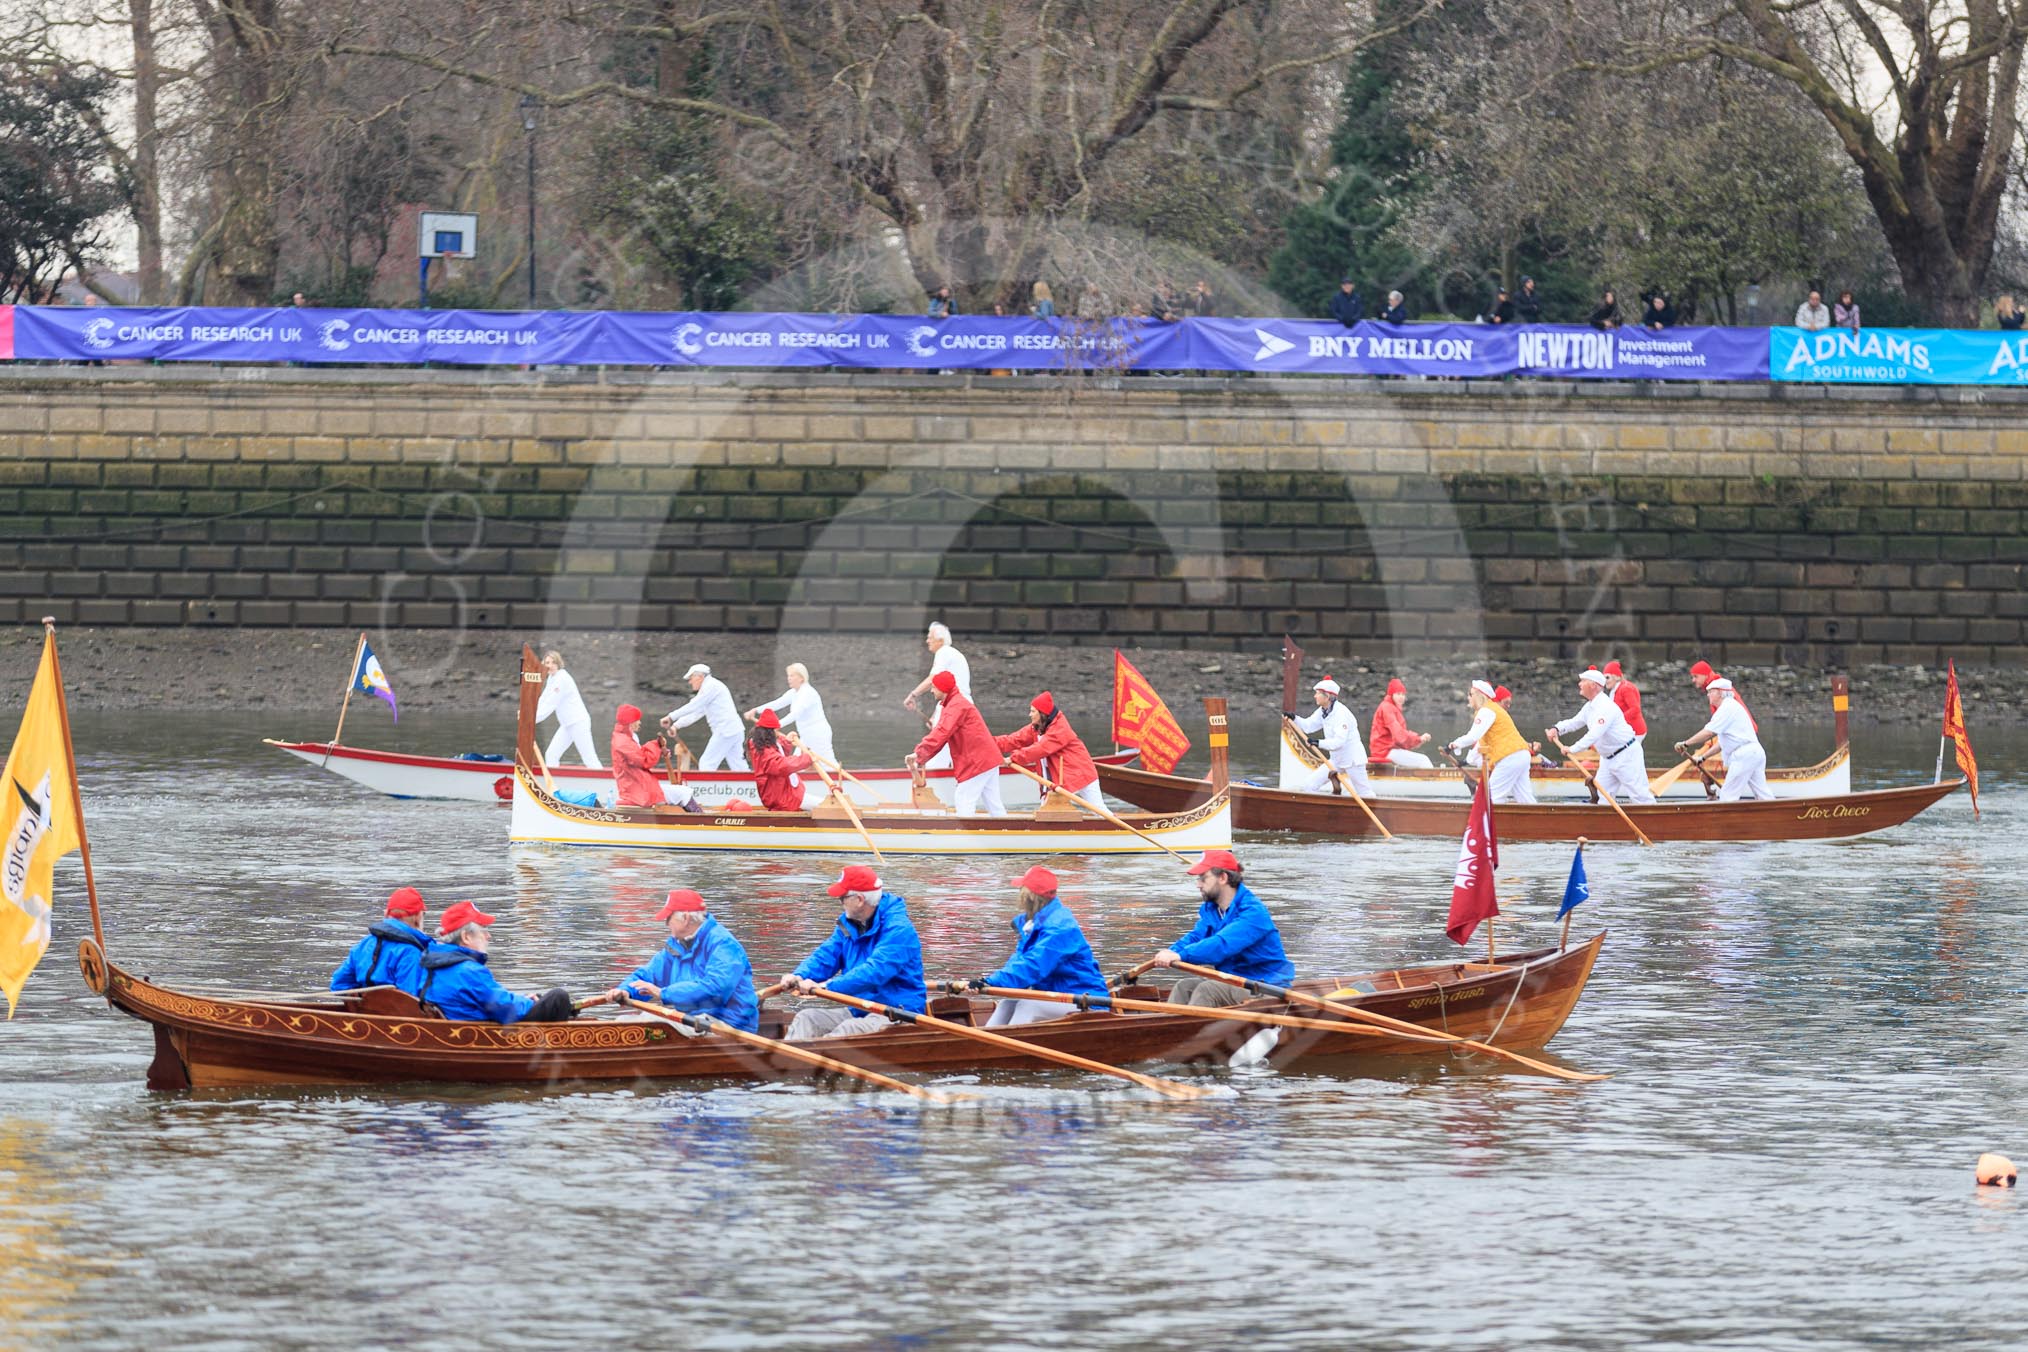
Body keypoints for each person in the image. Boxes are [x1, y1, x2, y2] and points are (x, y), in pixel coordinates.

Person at [781, 866, 925, 1040]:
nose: (840, 902)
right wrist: (799, 975)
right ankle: (786, 1062)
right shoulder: (849, 925)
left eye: (842, 897)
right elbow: (826, 956)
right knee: (807, 1018)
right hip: (860, 1009)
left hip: (897, 1011)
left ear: (859, 899)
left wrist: (827, 987)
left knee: (849, 1029)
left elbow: (874, 972)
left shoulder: (899, 930)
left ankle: (812, 1063)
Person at [958, 865, 1108, 1026]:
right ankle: (983, 1044)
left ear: (1029, 896)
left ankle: (1006, 1048)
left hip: (1087, 1001)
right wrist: (986, 981)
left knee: (1028, 1006)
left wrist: (992, 981)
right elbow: (1018, 961)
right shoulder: (1032, 924)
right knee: (1007, 1004)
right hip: (1054, 997)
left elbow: (1033, 966)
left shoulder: (1060, 928)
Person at [1150, 850, 1293, 1006]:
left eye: (1203, 878)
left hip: (1265, 985)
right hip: (1234, 980)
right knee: (1184, 987)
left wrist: (1181, 956)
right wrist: (1172, 951)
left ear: (1223, 878)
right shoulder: (1213, 909)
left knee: (1208, 989)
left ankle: (1188, 1029)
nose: (1198, 884)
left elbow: (1222, 944)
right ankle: (1168, 1027)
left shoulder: (1253, 913)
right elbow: (1197, 936)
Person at [608, 889, 757, 1032]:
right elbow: (647, 975)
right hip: (693, 1019)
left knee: (637, 1027)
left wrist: (663, 993)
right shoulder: (677, 946)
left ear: (685, 918)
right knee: (624, 1022)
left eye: (668, 918)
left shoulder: (724, 944)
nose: (666, 924)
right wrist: (625, 990)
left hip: (728, 1024)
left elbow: (715, 989)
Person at [417, 900, 575, 1023]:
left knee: (540, 999)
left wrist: (526, 999)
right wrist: (530, 1003)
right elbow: (504, 1006)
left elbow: (495, 999)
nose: (488, 936)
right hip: (478, 1030)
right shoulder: (468, 970)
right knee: (558, 998)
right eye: (483, 930)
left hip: (461, 1022)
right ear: (466, 937)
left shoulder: (429, 963)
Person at [1546, 668, 1654, 804]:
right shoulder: (1589, 706)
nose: (1579, 684)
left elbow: (1594, 734)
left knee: (1640, 796)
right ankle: (1604, 824)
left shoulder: (1606, 707)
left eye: (1583, 681)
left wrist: (1572, 749)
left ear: (1594, 685)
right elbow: (1575, 722)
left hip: (1626, 756)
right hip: (1608, 758)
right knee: (1601, 798)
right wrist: (1557, 729)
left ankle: (1656, 823)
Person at [908, 670, 1006, 815]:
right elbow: (941, 736)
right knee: (994, 805)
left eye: (934, 687)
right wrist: (921, 755)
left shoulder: (956, 706)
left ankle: (964, 836)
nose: (932, 691)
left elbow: (941, 732)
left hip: (977, 762)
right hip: (988, 759)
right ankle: (1003, 831)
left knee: (963, 798)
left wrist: (918, 754)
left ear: (942, 689)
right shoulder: (955, 703)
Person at [995, 691, 1103, 808]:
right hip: (1057, 779)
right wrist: (988, 743)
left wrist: (1013, 758)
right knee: (1047, 811)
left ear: (1042, 714)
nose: (1029, 715)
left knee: (1099, 810)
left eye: (1032, 711)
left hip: (1082, 774)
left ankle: (1113, 825)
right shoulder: (1037, 727)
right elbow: (1013, 740)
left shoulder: (1060, 729)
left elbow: (1041, 749)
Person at [1677, 677, 1772, 801]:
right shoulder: (1731, 707)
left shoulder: (1727, 708)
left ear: (1721, 693)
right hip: (1754, 753)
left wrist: (1686, 743)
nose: (1708, 695)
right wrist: (1703, 757)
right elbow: (1721, 744)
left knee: (1728, 796)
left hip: (1744, 756)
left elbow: (1708, 732)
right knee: (1763, 795)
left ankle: (1725, 820)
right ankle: (1778, 818)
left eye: (1711, 691)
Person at [329, 885, 432, 997]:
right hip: (395, 1012)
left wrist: (363, 1002)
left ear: (386, 914)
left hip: (366, 1010)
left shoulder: (364, 944)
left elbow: (339, 985)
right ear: (417, 917)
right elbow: (410, 998)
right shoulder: (411, 952)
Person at [1448, 680, 1536, 803]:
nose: (1468, 697)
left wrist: (1453, 744)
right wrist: (1466, 761)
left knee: (1488, 799)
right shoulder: (1491, 709)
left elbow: (1473, 736)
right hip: (1521, 755)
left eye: (1470, 694)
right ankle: (1538, 821)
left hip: (1510, 758)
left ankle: (1490, 822)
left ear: (1479, 695)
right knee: (1525, 799)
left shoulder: (1486, 711)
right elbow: (1481, 743)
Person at [903, 622, 972, 769]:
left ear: (940, 640)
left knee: (939, 742)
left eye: (930, 637)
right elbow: (946, 691)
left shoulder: (944, 652)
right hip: (962, 704)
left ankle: (931, 775)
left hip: (955, 705)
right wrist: (936, 715)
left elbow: (934, 679)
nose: (927, 641)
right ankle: (949, 772)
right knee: (956, 744)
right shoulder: (952, 654)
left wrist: (913, 695)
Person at [1289, 677, 1370, 796]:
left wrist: (1318, 743)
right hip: (1336, 760)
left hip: (1353, 760)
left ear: (1327, 696)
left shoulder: (1341, 714)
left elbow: (1339, 742)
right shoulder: (1323, 711)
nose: (1315, 696)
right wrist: (1294, 718)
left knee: (1365, 793)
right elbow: (1308, 726)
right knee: (1309, 785)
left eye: (1317, 693)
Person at [611, 704, 700, 810]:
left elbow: (638, 754)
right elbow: (644, 761)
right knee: (683, 792)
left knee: (681, 792)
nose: (640, 722)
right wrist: (656, 745)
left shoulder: (626, 737)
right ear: (631, 722)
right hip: (637, 790)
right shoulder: (623, 742)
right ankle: (702, 821)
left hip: (636, 786)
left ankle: (694, 819)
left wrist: (659, 749)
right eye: (637, 719)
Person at [663, 663, 748, 771]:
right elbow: (695, 713)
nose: (689, 682)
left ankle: (703, 787)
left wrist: (671, 717)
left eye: (691, 678)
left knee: (707, 764)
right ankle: (751, 787)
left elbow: (694, 706)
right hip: (734, 730)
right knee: (739, 767)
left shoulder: (711, 686)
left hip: (725, 730)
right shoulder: (708, 690)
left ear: (700, 676)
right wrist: (676, 726)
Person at [747, 662, 834, 762]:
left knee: (826, 763)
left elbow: (795, 714)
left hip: (818, 734)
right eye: (788, 676)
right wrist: (756, 710)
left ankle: (839, 777)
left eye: (792, 675)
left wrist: (776, 725)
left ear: (801, 678)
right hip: (805, 736)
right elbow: (777, 703)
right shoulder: (794, 692)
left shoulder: (808, 693)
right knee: (796, 763)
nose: (789, 678)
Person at [536, 648, 601, 769]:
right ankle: (553, 785)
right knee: (551, 754)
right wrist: (529, 712)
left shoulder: (562, 679)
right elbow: (544, 698)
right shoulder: (552, 678)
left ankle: (606, 785)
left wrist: (531, 719)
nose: (549, 665)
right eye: (547, 663)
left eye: (552, 662)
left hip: (578, 723)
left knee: (589, 758)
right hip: (567, 725)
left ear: (558, 663)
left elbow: (551, 704)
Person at [748, 709, 814, 811]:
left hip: (785, 793)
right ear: (770, 732)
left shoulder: (764, 745)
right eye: (776, 730)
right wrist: (807, 759)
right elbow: (781, 765)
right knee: (822, 806)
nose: (777, 733)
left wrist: (787, 741)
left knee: (821, 804)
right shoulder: (763, 751)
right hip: (784, 798)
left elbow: (777, 753)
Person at [1368, 678, 1434, 769]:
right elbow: (1399, 735)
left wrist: (1418, 740)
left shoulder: (1391, 707)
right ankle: (1432, 782)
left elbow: (1400, 737)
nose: (1401, 697)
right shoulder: (1387, 708)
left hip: (1386, 750)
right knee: (1424, 760)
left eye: (1403, 694)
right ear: (1391, 695)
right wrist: (1418, 739)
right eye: (1398, 694)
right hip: (1385, 751)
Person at [1603, 660, 1647, 747]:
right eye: (1604, 678)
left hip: (1635, 731)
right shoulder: (1615, 690)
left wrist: (1618, 720)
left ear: (1617, 677)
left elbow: (1635, 709)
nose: (1605, 681)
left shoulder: (1626, 688)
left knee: (1627, 756)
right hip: (1625, 731)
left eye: (1607, 678)